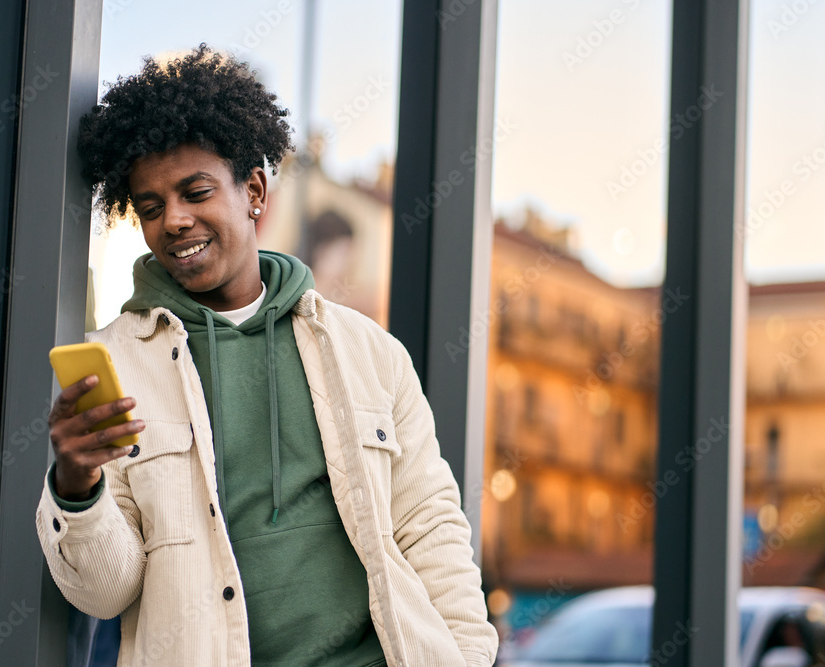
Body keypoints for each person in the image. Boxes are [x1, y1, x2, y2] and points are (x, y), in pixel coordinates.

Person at [36, 43, 498, 666]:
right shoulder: (114, 363)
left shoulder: (370, 352)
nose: (173, 220)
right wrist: (77, 485)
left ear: (253, 189)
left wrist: (468, 656)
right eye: (150, 208)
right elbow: (105, 591)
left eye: (194, 192)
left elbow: (431, 527)